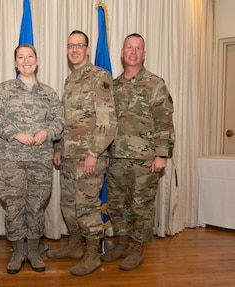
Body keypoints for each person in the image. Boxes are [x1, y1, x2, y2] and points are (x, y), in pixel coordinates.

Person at [0, 44, 64, 274]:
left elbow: (59, 121)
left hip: (40, 160)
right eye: (21, 57)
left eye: (29, 56)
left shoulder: (48, 93)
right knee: (13, 206)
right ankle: (17, 252)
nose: (26, 61)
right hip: (11, 159)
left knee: (36, 206)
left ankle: (32, 251)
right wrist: (16, 133)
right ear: (15, 63)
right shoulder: (3, 90)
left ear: (37, 60)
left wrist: (46, 133)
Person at [101, 33, 175, 271]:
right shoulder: (114, 85)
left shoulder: (155, 84)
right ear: (122, 53)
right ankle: (122, 244)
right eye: (129, 48)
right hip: (117, 158)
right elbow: (108, 122)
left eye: (138, 48)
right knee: (117, 205)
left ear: (144, 54)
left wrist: (162, 154)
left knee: (141, 208)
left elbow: (164, 121)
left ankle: (137, 250)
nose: (133, 52)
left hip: (146, 160)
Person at [46, 30, 117, 276]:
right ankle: (75, 245)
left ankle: (92, 254)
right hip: (67, 156)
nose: (74, 49)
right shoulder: (70, 80)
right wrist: (57, 147)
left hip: (88, 157)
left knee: (87, 207)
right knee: (68, 205)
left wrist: (94, 153)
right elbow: (65, 120)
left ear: (87, 49)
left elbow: (108, 122)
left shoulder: (100, 76)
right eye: (70, 45)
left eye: (79, 45)